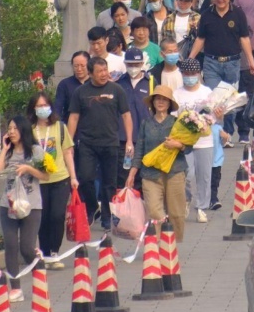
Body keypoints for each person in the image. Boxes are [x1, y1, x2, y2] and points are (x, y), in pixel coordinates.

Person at [67, 56, 134, 230]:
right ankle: (92, 207)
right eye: (99, 71)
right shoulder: (80, 92)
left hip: (110, 142)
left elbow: (126, 115)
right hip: (87, 143)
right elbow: (73, 117)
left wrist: (129, 140)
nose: (104, 74)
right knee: (86, 178)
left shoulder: (116, 90)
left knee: (109, 183)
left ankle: (106, 215)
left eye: (105, 70)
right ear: (90, 74)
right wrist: (68, 143)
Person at [126, 85, 190, 242]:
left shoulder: (177, 123)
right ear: (153, 102)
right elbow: (139, 149)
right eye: (157, 99)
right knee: (154, 211)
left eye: (164, 99)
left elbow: (188, 147)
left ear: (169, 104)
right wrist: (132, 172)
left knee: (176, 213)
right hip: (151, 174)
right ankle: (161, 243)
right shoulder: (146, 124)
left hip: (175, 172)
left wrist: (179, 145)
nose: (160, 102)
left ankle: (173, 245)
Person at [0, 118, 46, 301]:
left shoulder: (36, 151)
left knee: (26, 247)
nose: (12, 131)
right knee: (11, 245)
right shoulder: (8, 153)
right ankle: (15, 287)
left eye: (15, 128)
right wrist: (4, 150)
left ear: (23, 130)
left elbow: (46, 175)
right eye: (9, 128)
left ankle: (39, 271)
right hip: (8, 205)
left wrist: (28, 169)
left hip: (31, 205)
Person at [24, 94, 77, 269]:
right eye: (38, 106)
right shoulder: (29, 130)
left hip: (60, 178)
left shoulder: (60, 128)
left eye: (45, 105)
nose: (42, 109)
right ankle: (45, 252)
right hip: (38, 181)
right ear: (33, 109)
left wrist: (73, 177)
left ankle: (54, 251)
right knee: (43, 217)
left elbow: (68, 152)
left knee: (57, 215)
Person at [188, 0, 254, 88]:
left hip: (232, 63)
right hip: (211, 63)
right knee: (213, 98)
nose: (220, 0)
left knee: (230, 100)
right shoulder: (206, 15)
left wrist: (251, 62)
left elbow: (244, 39)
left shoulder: (238, 14)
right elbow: (200, 39)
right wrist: (190, 58)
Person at [174, 59, 215, 223]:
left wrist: (214, 116)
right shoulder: (177, 94)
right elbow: (174, 117)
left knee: (204, 176)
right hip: (185, 142)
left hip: (204, 141)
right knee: (187, 174)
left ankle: (202, 207)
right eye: (187, 74)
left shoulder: (207, 92)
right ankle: (186, 200)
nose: (190, 77)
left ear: (198, 74)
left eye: (193, 74)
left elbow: (215, 116)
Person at [54, 51, 89, 126]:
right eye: (76, 66)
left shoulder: (94, 83)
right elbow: (58, 107)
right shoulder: (64, 84)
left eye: (82, 66)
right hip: (71, 127)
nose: (79, 69)